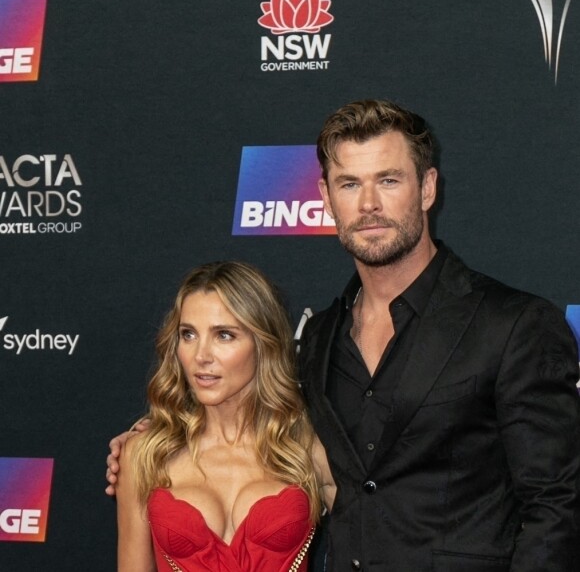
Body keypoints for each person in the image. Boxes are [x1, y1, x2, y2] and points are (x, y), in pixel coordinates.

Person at [108, 99, 580, 572]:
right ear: (326, 196)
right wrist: (149, 439)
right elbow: (259, 415)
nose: (368, 204)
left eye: (388, 180)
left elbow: (557, 503)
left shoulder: (512, 324)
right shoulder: (319, 337)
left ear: (428, 188)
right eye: (349, 184)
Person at [115, 261, 335, 571]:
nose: (201, 356)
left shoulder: (307, 445)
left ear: (263, 344)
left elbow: (375, 545)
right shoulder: (144, 454)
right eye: (188, 334)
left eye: (224, 335)